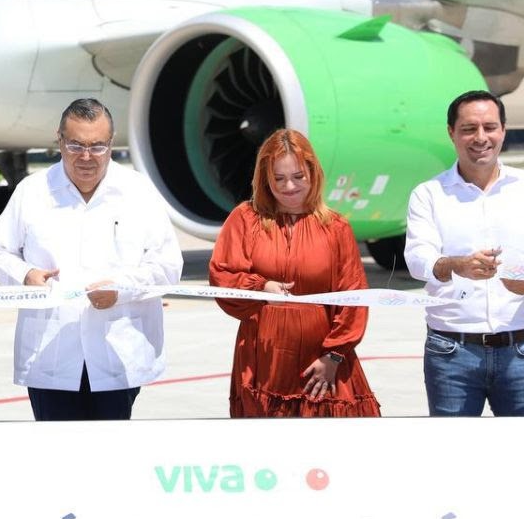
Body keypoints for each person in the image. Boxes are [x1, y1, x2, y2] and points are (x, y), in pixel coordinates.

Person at [0, 98, 182, 420]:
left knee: (111, 445)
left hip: (117, 351)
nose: (87, 156)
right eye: (75, 145)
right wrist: (25, 274)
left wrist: (122, 289)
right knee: (57, 445)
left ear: (111, 142)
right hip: (52, 352)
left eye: (98, 146)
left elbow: (168, 265)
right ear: (59, 140)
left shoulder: (137, 191)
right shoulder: (32, 191)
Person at [209, 129, 381, 418]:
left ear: (313, 173)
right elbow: (222, 275)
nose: (289, 186)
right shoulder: (245, 219)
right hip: (264, 363)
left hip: (323, 364)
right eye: (278, 178)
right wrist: (261, 288)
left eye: (298, 176)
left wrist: (333, 356)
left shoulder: (336, 227)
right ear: (265, 178)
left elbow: (354, 297)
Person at [404, 90, 524, 416]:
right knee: (452, 447)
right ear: (451, 133)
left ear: (503, 130)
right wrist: (456, 265)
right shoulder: (429, 195)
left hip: (519, 348)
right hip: (452, 351)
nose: (481, 138)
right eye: (469, 129)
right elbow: (417, 259)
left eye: (490, 127)